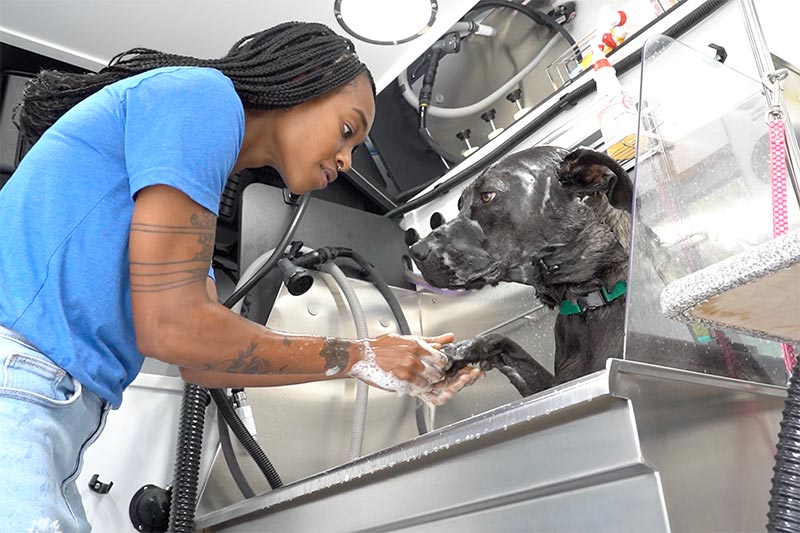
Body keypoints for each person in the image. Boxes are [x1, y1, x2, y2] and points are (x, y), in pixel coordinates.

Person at [0, 21, 483, 532]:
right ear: (300, 81)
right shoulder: (205, 99)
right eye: (347, 130)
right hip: (23, 379)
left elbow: (200, 361)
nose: (346, 159)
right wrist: (361, 354)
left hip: (55, 406)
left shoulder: (190, 197)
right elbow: (173, 327)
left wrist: (368, 363)